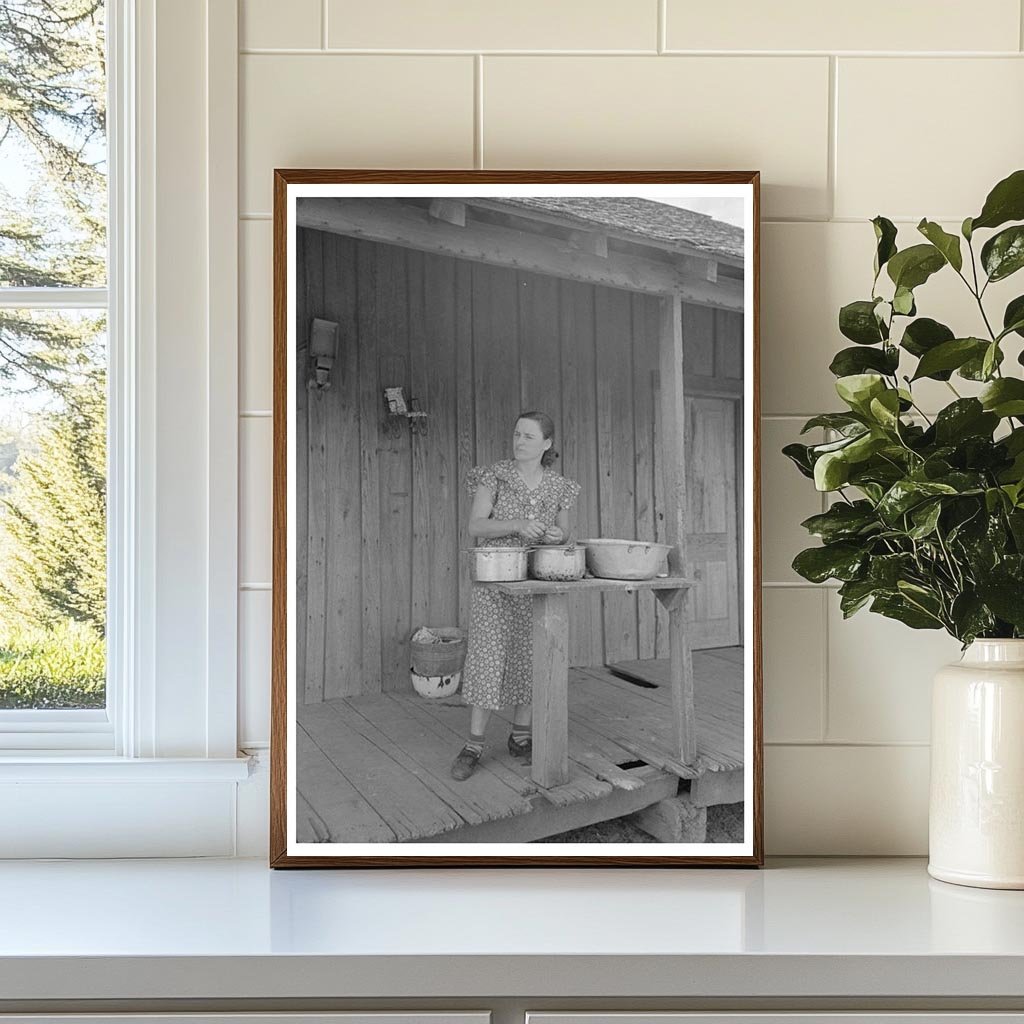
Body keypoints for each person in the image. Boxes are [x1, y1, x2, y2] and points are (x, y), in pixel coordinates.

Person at [451, 411, 581, 782]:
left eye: (527, 436)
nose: (519, 441)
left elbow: (565, 535)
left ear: (546, 444)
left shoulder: (559, 487)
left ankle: (520, 737)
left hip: (534, 582)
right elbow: (476, 525)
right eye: (516, 435)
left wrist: (556, 536)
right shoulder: (493, 476)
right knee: (488, 657)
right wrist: (517, 525)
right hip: (494, 581)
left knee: (530, 655)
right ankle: (474, 745)